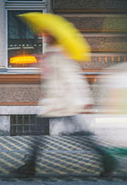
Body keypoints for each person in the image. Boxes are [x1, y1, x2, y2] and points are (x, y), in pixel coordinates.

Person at [14, 33, 117, 177]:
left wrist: (85, 99)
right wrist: (40, 64)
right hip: (54, 103)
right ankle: (30, 166)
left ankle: (108, 160)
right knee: (44, 133)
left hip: (62, 103)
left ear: (52, 38)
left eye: (47, 35)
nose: (44, 37)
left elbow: (74, 78)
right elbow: (50, 78)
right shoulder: (51, 55)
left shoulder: (60, 56)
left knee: (77, 135)